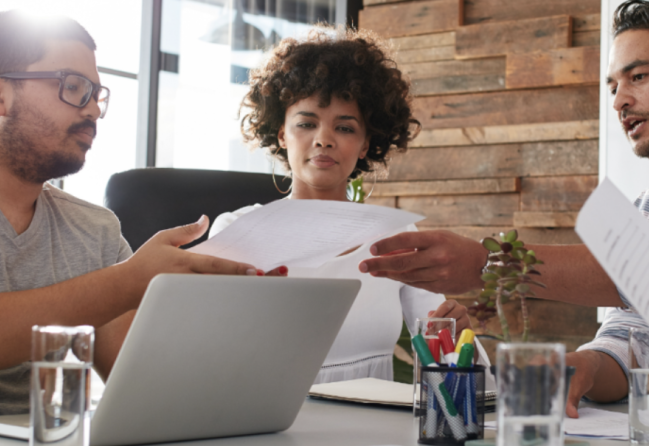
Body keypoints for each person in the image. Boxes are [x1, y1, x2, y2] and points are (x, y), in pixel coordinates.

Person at [358, 0, 649, 418]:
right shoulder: (647, 209)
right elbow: (632, 338)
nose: (618, 101)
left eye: (638, 77)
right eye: (613, 86)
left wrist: (488, 263)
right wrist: (587, 365)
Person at [0, 11, 263, 417]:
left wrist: (225, 317)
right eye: (72, 86)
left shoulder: (94, 230)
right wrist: (127, 282)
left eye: (96, 93)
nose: (92, 109)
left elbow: (144, 382)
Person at [209, 27, 496, 387]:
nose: (324, 140)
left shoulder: (396, 237)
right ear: (281, 133)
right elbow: (203, 357)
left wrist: (453, 342)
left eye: (344, 128)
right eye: (306, 124)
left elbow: (465, 382)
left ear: (365, 144)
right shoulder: (236, 232)